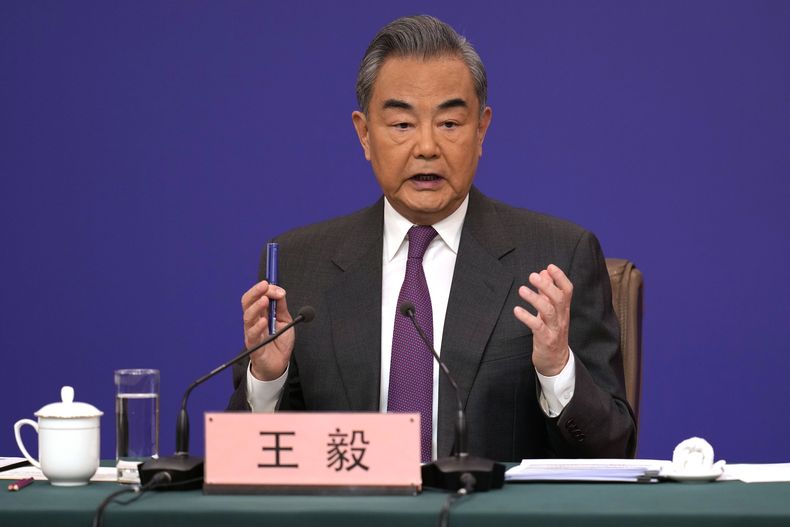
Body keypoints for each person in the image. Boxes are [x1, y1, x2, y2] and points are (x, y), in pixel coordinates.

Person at [228, 15, 636, 462]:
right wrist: (268, 380)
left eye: (449, 123)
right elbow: (252, 461)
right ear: (364, 134)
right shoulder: (300, 265)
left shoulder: (556, 257)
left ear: (481, 130)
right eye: (402, 125)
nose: (426, 147)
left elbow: (612, 449)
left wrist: (557, 369)